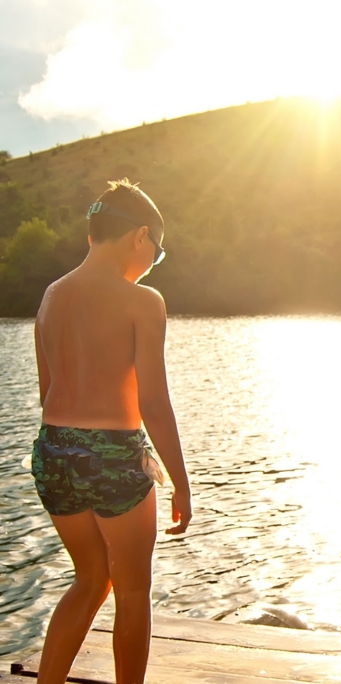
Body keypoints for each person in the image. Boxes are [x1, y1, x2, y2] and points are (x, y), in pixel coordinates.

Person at [30, 179, 192, 684]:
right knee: (130, 590)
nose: (152, 264)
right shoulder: (143, 301)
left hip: (53, 453)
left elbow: (46, 391)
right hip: (114, 456)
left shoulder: (51, 296)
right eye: (157, 253)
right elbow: (153, 403)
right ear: (140, 237)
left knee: (89, 579)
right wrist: (180, 481)